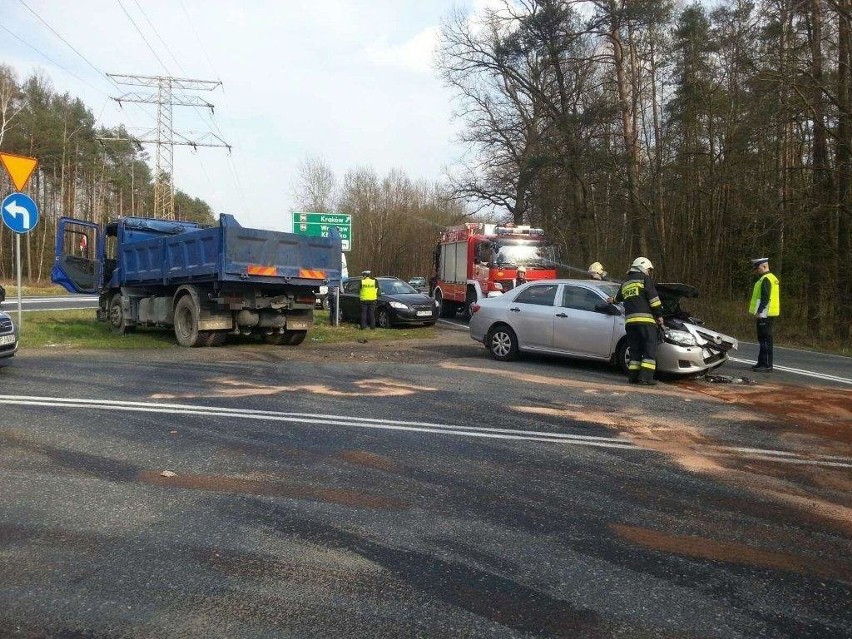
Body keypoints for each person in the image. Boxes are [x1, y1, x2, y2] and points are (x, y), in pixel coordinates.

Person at [614, 257, 664, 385]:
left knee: (634, 350)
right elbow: (653, 299)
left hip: (630, 323)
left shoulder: (625, 283)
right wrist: (658, 315)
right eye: (648, 270)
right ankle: (646, 378)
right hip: (645, 322)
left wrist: (612, 300)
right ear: (642, 267)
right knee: (649, 348)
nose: (649, 273)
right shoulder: (645, 279)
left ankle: (633, 377)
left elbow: (618, 298)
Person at [749, 257, 780, 372]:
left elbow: (765, 297)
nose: (756, 270)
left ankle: (766, 364)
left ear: (764, 266)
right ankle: (761, 362)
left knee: (765, 339)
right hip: (769, 313)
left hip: (765, 313)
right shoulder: (772, 278)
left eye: (757, 268)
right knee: (763, 338)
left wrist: (759, 311)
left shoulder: (766, 279)